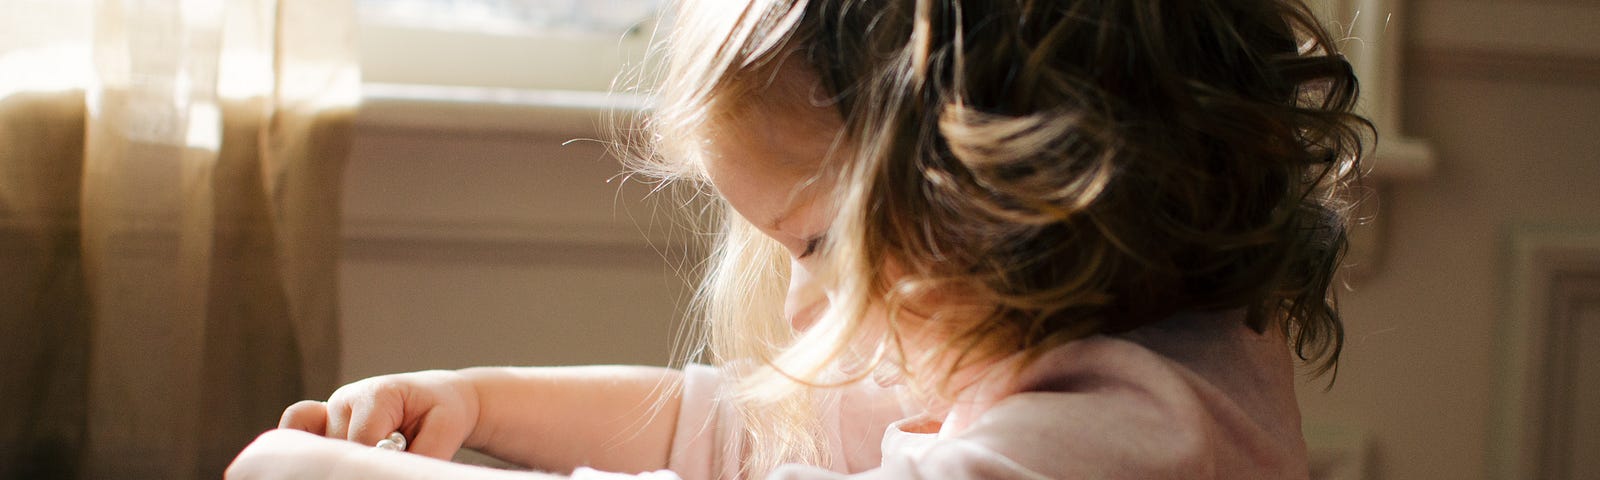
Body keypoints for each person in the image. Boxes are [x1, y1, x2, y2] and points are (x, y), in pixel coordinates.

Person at [227, 0, 1368, 478]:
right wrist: (474, 398)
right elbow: (712, 422)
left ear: (1019, 185)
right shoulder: (1060, 350)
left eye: (820, 241)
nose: (806, 304)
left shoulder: (1123, 437)